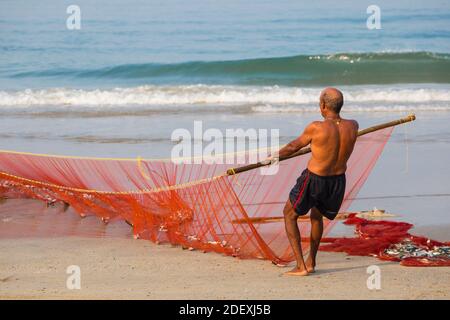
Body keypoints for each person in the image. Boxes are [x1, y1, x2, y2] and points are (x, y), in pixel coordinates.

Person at [266, 87, 359, 276]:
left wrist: (273, 157)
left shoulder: (316, 127)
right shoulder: (353, 126)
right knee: (317, 217)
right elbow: (334, 144)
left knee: (289, 214)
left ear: (323, 106)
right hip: (337, 181)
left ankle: (301, 266)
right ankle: (311, 262)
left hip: (315, 180)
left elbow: (293, 146)